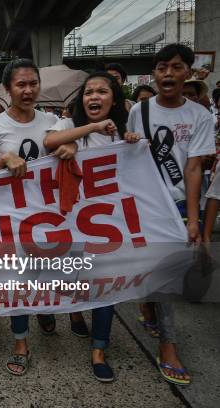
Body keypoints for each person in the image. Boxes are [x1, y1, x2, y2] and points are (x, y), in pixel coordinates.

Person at [126, 43, 216, 386]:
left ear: (187, 72)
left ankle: (169, 343)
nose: (168, 74)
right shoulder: (140, 111)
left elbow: (194, 169)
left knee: (167, 273)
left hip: (177, 205)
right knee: (150, 268)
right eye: (162, 67)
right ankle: (150, 309)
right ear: (154, 73)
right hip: (145, 204)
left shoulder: (200, 116)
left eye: (176, 67)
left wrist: (193, 220)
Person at [45, 71, 141, 382]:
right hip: (71, 222)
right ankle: (74, 311)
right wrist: (79, 137)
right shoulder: (69, 126)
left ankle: (99, 350)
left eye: (102, 92)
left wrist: (130, 142)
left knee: (106, 287)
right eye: (89, 92)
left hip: (107, 226)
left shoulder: (122, 131)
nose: (94, 97)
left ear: (114, 98)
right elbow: (49, 142)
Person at [0, 59, 72, 356]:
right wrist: (3, 161)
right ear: (8, 89)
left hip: (48, 216)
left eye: (33, 83)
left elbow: (67, 150)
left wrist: (73, 148)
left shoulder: (51, 122)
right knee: (17, 278)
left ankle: (44, 309)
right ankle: (20, 342)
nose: (28, 90)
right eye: (21, 85)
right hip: (12, 216)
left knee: (45, 272)